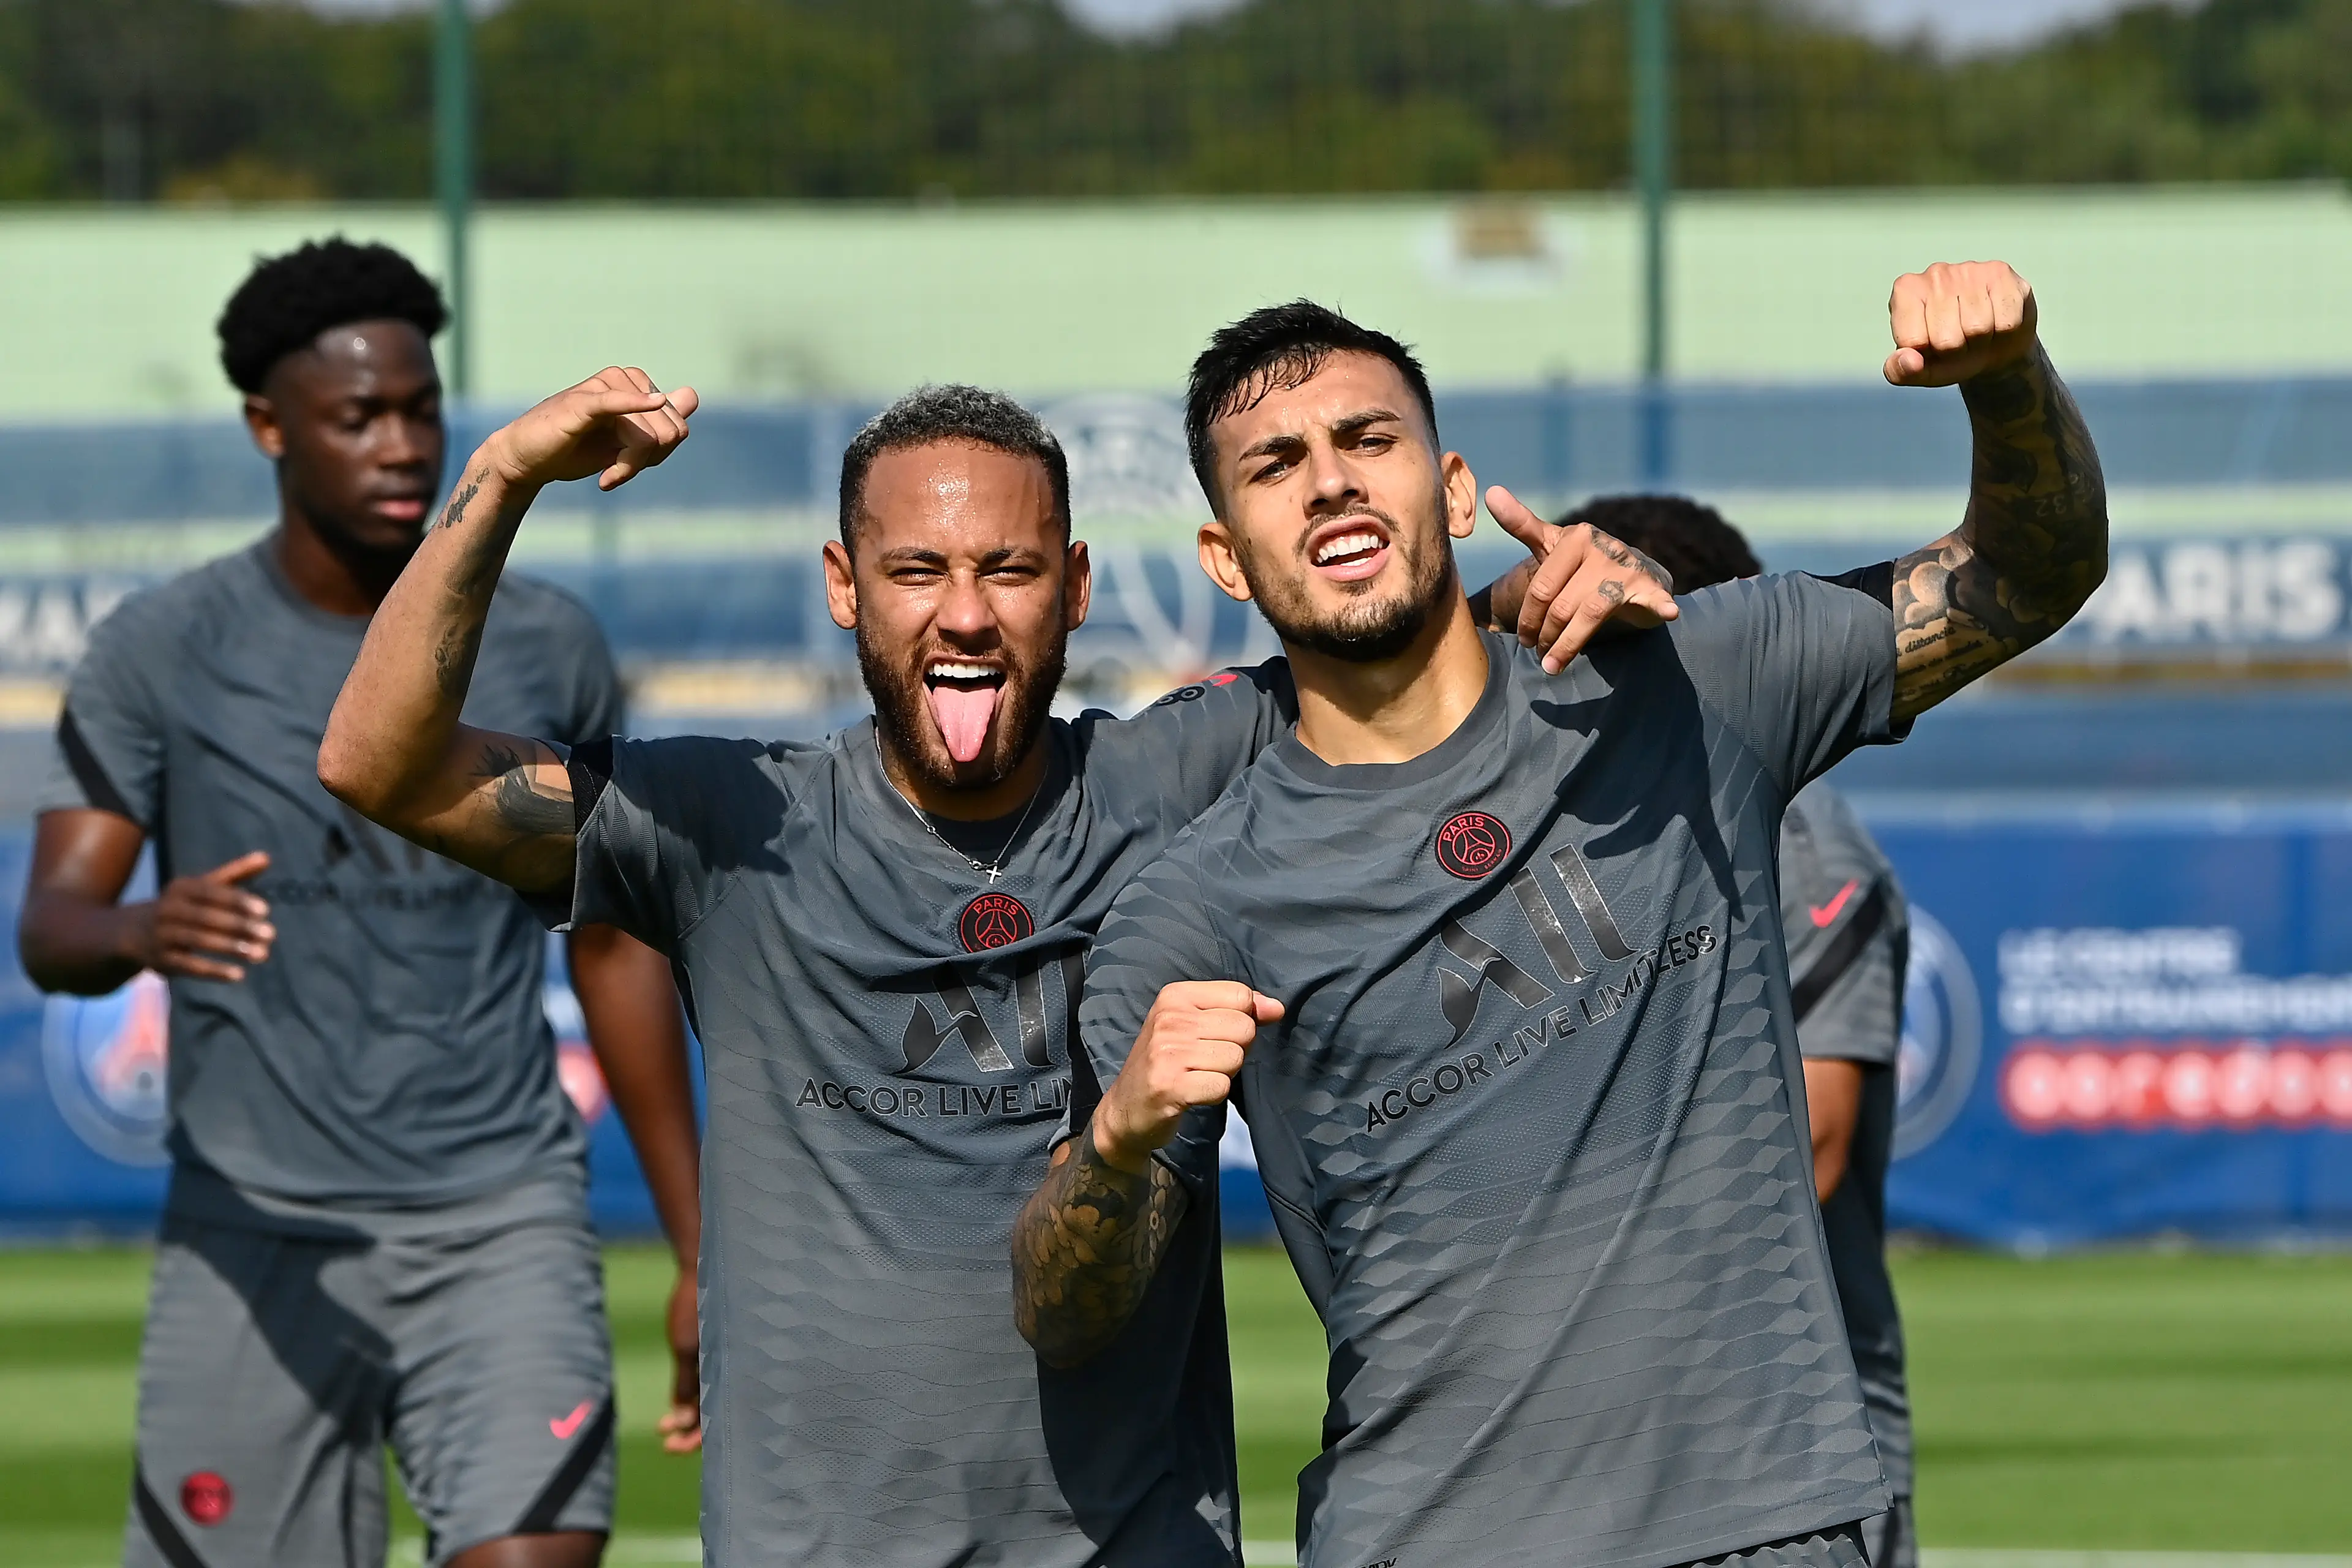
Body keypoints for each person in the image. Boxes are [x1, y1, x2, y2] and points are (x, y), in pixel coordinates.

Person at [314, 372, 1672, 1566]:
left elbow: (1403, 651)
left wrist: (1555, 582)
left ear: (1075, 587)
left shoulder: (1176, 775)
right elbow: (378, 765)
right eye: (915, 572)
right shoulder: (731, 824)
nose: (964, 615)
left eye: (1009, 572)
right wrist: (498, 482)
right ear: (845, 584)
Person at [1014, 262, 2106, 1568]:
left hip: (1769, 1526)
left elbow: (2029, 574)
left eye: (1370, 439)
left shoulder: (1698, 681)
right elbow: (1066, 1312)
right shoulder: (1193, 908)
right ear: (1223, 555)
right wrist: (1121, 1144)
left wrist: (2003, 377)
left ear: (1456, 485)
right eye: (1274, 464)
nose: (1331, 480)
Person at [15, 239, 692, 1568]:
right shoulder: (161, 650)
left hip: (502, 1213)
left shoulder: (551, 639)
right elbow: (55, 924)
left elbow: (614, 941)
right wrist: (139, 929)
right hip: (252, 1231)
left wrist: (698, 1244)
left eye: (421, 407)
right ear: (269, 426)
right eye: (358, 416)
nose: (401, 444)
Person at [1567, 494, 1918, 1568]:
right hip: (1589, 1463)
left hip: (1787, 1466)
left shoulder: (1802, 840)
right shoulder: (1568, 826)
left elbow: (1807, 1144)